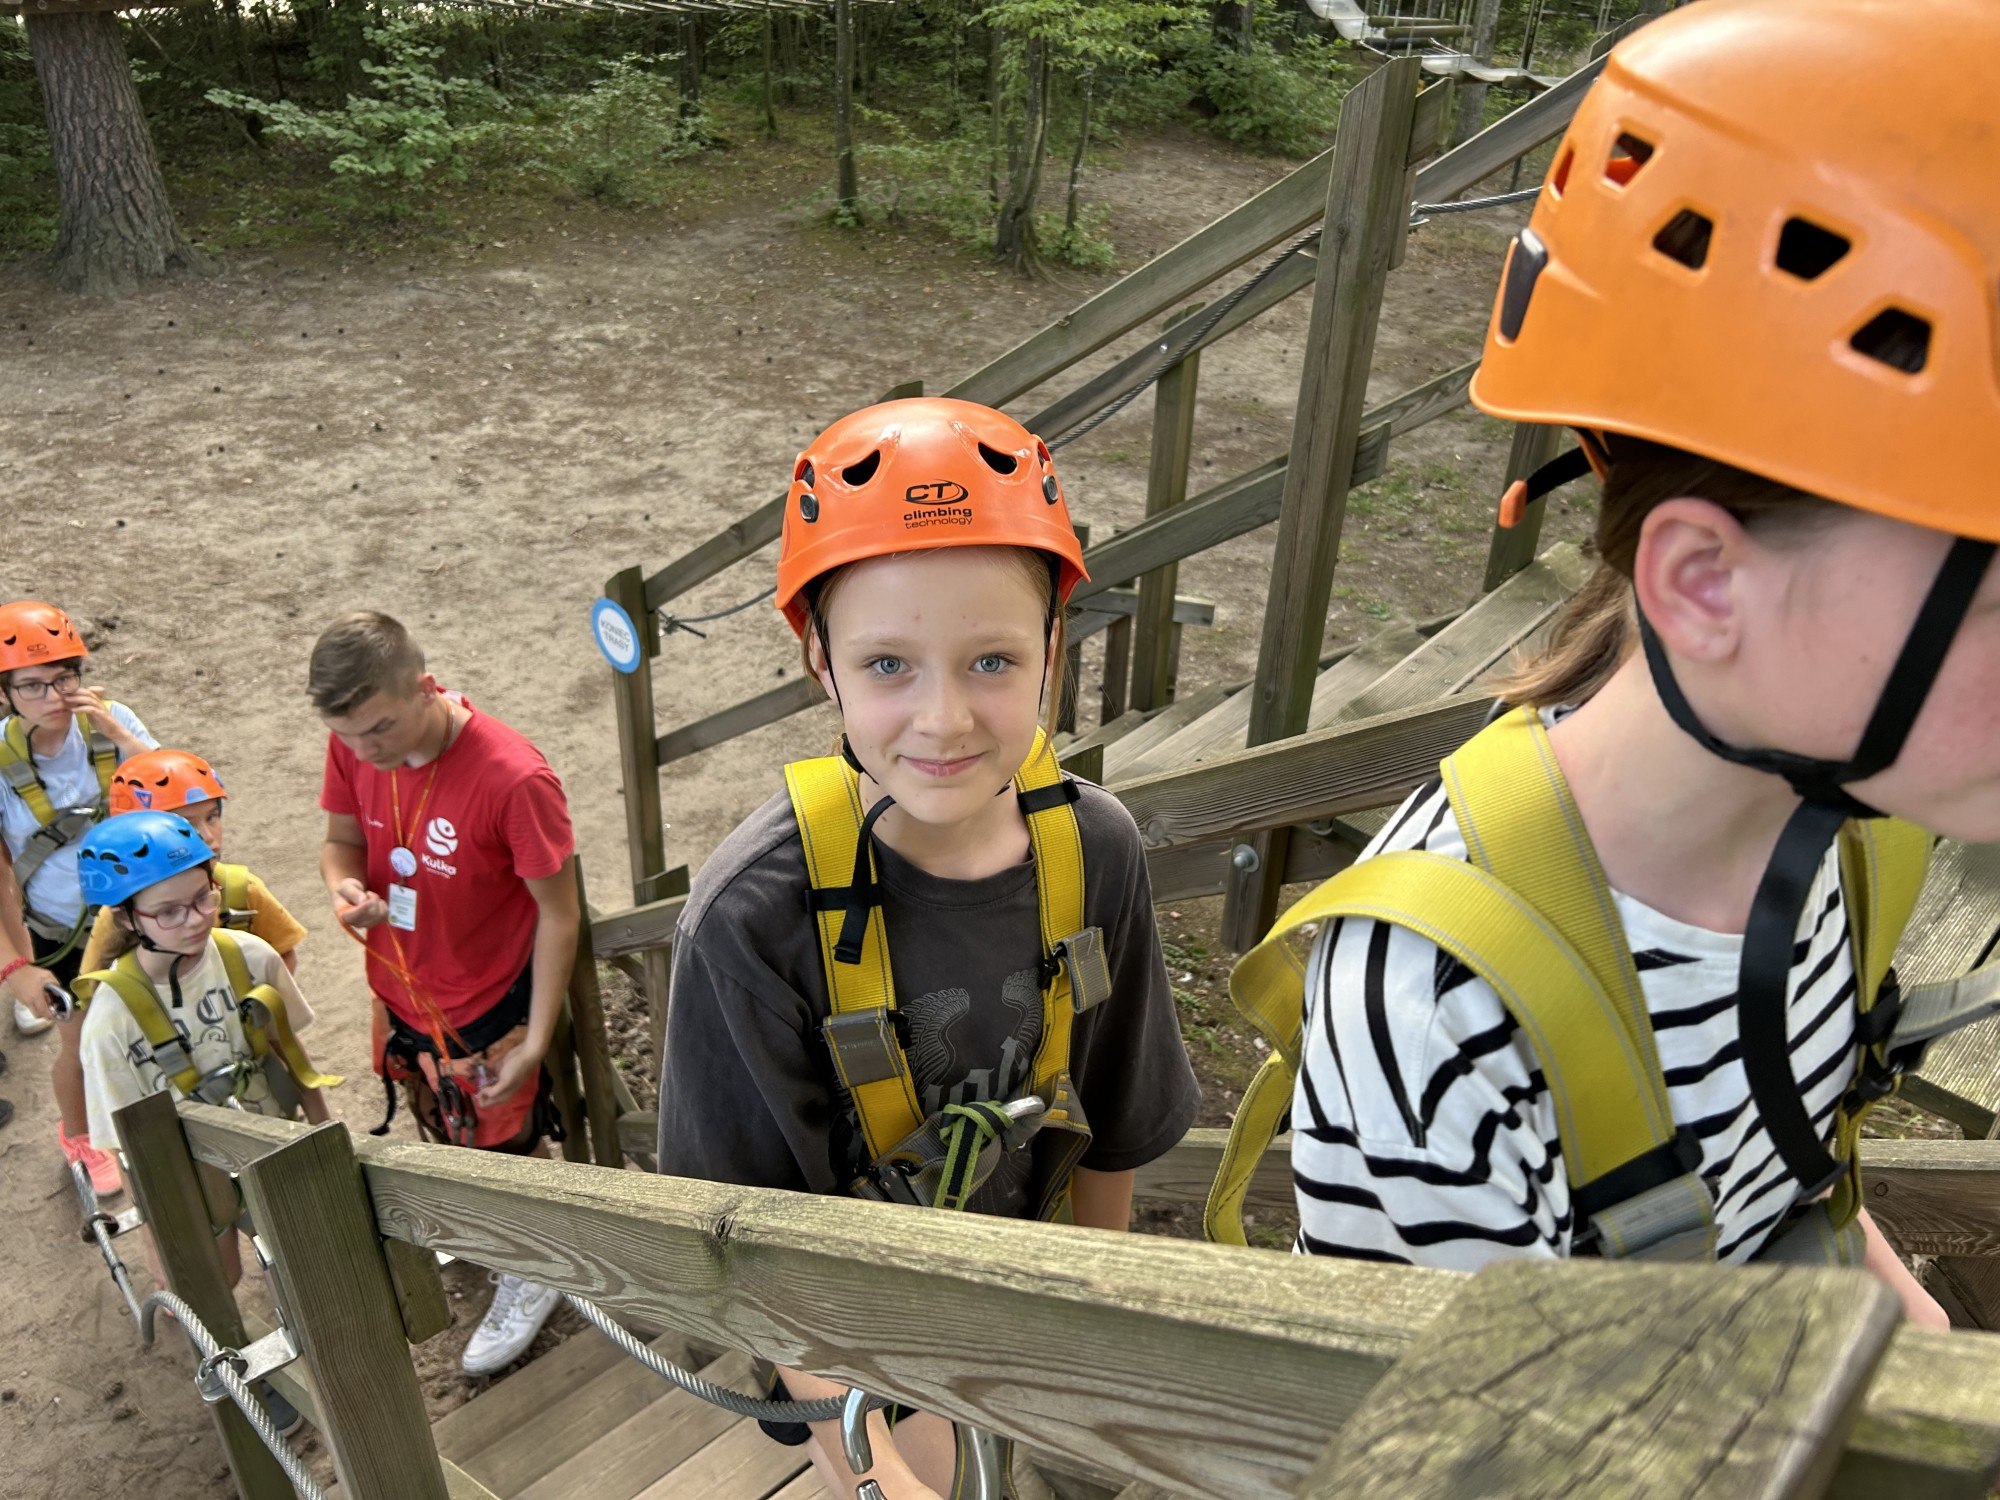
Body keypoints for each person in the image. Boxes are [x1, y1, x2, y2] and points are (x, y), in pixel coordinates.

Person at [1267, 0, 1998, 1325]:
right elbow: (1483, 1422)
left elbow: (1781, 1177)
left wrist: (1909, 1316)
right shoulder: (1438, 1016)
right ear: (1705, 585)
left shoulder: (1853, 822)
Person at [658, 398, 1200, 1499]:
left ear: (1054, 648)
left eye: (992, 660)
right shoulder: (750, 922)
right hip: (847, 1342)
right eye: (889, 666)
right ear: (820, 661)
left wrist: (1093, 1328)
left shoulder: (1092, 851)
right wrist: (872, 1467)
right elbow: (743, 1242)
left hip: (1029, 1284)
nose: (945, 720)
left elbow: (1111, 1117)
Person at [309, 610, 580, 1377]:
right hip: (402, 993)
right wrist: (345, 891)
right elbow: (340, 845)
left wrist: (535, 1038)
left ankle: (535, 1266)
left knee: (510, 1146)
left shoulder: (514, 779)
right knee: (442, 1121)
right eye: (348, 736)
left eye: (381, 729)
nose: (367, 751)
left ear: (426, 687)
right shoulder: (353, 743)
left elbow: (560, 914)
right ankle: (487, 1228)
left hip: (486, 1011)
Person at [73, 809, 337, 1436]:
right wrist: (163, 1241)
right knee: (216, 1278)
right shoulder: (111, 1022)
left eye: (203, 897)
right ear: (127, 920)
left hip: (269, 1140)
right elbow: (128, 1148)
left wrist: (325, 1137)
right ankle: (236, 1369)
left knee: (302, 1249)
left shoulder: (249, 957)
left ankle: (327, 1342)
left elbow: (292, 1058)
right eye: (168, 912)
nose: (195, 919)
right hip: (190, 1173)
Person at [0, 600, 155, 1187]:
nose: (53, 696)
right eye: (32, 685)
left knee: (156, 1021)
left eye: (65, 678)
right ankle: (81, 1136)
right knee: (84, 1040)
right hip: (63, 930)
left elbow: (182, 803)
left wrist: (121, 736)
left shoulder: (113, 723)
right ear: (5, 695)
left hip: (140, 912)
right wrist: (17, 968)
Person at [77, 748, 308, 977]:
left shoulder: (240, 889)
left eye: (212, 816)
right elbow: (91, 986)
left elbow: (284, 954)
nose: (207, 836)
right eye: (186, 825)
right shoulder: (122, 913)